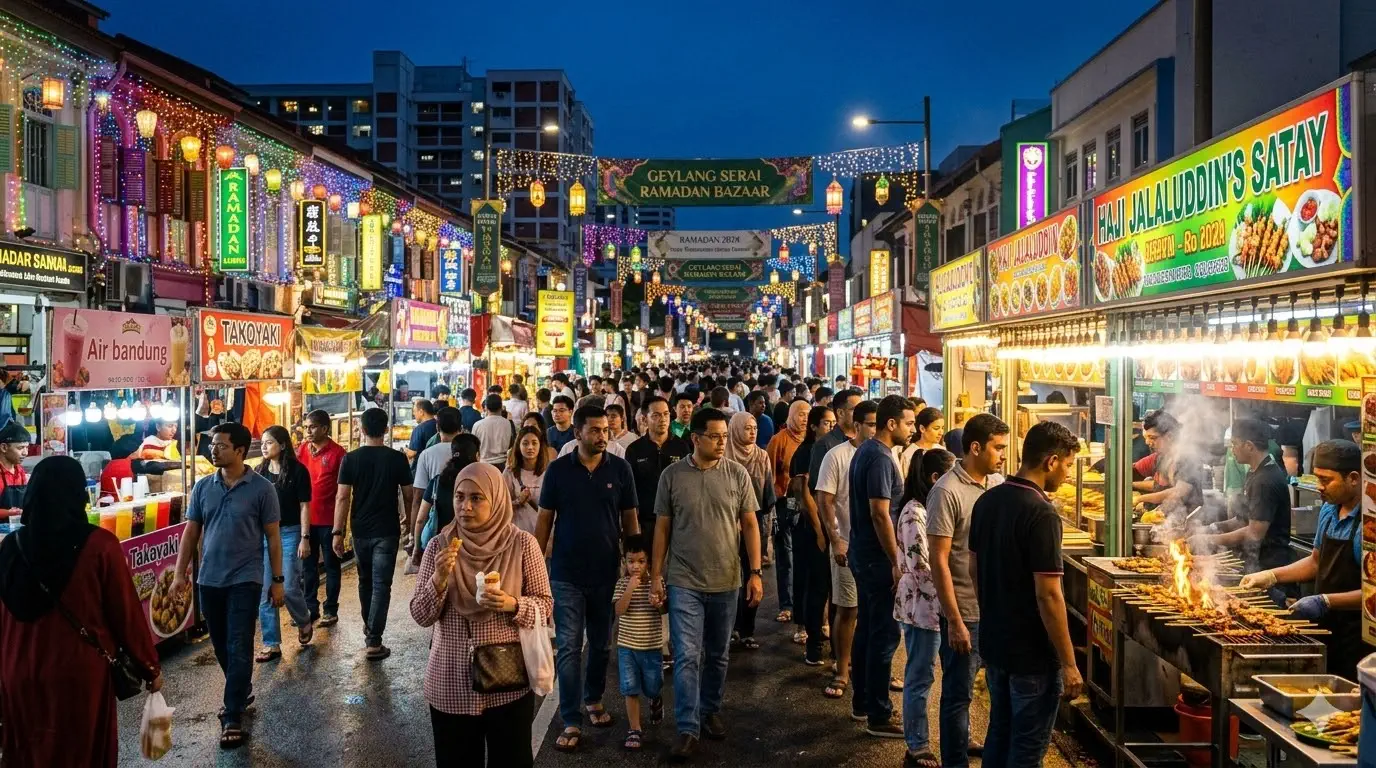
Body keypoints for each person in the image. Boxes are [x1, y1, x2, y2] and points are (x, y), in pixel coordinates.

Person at [0, 456, 162, 767]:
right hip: (77, 673)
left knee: (27, 751)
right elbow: (125, 613)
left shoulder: (10, 546)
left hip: (17, 669)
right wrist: (149, 667)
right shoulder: (99, 545)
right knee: (79, 751)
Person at [409, 462, 552, 767]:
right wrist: (439, 579)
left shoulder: (523, 544)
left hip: (507, 682)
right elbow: (420, 615)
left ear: (497, 499)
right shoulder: (439, 547)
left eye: (476, 498)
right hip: (451, 682)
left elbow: (545, 605)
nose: (465, 506)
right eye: (459, 497)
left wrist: (512, 604)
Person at [650, 408, 763, 761]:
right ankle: (687, 727)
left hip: (727, 579)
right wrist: (656, 575)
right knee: (686, 656)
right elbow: (663, 528)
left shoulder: (737, 474)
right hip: (684, 579)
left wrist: (756, 572)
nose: (720, 443)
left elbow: (749, 525)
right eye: (714, 436)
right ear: (695, 438)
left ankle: (709, 709)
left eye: (723, 437)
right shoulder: (672, 475)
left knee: (717, 654)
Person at [970, 422, 1083, 766]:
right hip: (1032, 657)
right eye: (1067, 465)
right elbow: (1049, 595)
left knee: (999, 737)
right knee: (1025, 751)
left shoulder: (987, 500)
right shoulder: (1042, 513)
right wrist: (1069, 663)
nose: (1066, 473)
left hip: (996, 644)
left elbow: (974, 569)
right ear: (1051, 461)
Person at [171, 422, 284, 749]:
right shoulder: (203, 488)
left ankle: (231, 713)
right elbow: (191, 533)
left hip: (245, 580)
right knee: (221, 645)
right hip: (209, 579)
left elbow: (274, 538)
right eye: (212, 445)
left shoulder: (262, 488)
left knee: (238, 644)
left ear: (238, 450)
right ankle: (240, 686)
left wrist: (277, 580)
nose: (213, 450)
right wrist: (180, 573)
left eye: (220, 445)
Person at [537, 404, 640, 752]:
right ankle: (570, 717)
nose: (602, 435)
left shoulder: (621, 469)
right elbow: (544, 522)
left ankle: (593, 698)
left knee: (600, 643)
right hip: (565, 572)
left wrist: (633, 559)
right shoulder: (558, 471)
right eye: (595, 430)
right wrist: (534, 566)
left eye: (605, 430)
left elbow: (630, 520)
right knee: (568, 646)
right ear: (578, 433)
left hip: (606, 572)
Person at [1241, 439, 1365, 679]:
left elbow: (1372, 596)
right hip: (1322, 632)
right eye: (1316, 478)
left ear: (1353, 478)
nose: (1319, 486)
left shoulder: (1368, 525)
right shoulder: (1329, 511)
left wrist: (1325, 600)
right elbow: (1316, 562)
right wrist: (1271, 575)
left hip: (1357, 641)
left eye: (1326, 480)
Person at [926, 412, 1009, 765]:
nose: (1003, 455)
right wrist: (955, 620)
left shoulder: (999, 484)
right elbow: (939, 560)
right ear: (975, 448)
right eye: (998, 448)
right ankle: (955, 761)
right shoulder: (946, 492)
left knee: (999, 693)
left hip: (997, 611)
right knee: (958, 696)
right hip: (966, 612)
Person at [847, 395, 915, 738]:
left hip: (864, 553)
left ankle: (862, 702)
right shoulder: (879, 458)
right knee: (883, 636)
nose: (912, 429)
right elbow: (879, 512)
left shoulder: (868, 452)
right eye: (909, 423)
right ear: (892, 424)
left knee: (868, 631)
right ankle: (878, 713)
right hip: (875, 558)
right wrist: (895, 560)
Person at [333, 408, 411, 660]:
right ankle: (373, 640)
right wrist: (409, 522)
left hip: (360, 530)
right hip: (387, 530)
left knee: (365, 581)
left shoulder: (350, 459)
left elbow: (342, 497)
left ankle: (371, 631)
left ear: (362, 429)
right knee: (381, 585)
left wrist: (337, 532)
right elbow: (409, 495)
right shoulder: (397, 459)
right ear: (386, 430)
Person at [895, 448, 956, 768]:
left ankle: (958, 735)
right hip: (924, 607)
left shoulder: (935, 508)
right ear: (935, 479)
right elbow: (921, 567)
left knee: (954, 676)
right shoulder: (914, 512)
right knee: (920, 677)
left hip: (945, 608)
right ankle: (917, 743)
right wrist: (951, 595)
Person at [815, 399, 878, 700]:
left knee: (876, 611)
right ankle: (842, 669)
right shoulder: (836, 456)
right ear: (858, 425)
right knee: (848, 608)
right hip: (847, 544)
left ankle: (876, 667)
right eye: (872, 424)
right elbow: (824, 499)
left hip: (878, 547)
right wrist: (835, 538)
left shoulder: (884, 457)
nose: (877, 430)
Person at [1197, 418, 1293, 581]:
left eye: (1234, 444)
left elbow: (1254, 532)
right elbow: (1242, 520)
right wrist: (1211, 528)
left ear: (1249, 446)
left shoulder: (1265, 480)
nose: (1232, 449)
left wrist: (1209, 540)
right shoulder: (1255, 473)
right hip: (1254, 561)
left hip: (1269, 566)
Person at [254, 425, 314, 662]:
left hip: (290, 534)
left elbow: (304, 506)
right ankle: (271, 643)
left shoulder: (298, 471)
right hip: (265, 536)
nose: (264, 446)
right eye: (262, 442)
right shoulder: (259, 472)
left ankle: (303, 619)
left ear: (282, 444)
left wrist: (305, 538)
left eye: (268, 442)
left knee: (288, 587)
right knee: (266, 590)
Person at [725, 411, 775, 650]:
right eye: (747, 428)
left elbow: (767, 496)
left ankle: (747, 630)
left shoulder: (762, 456)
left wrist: (764, 528)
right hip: (727, 524)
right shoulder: (724, 455)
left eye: (755, 427)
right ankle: (731, 626)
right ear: (735, 430)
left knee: (752, 575)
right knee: (730, 577)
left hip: (754, 524)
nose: (753, 431)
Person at [614, 534, 666, 751]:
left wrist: (658, 602)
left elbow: (664, 609)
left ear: (649, 563)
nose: (635, 566)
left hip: (651, 647)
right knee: (630, 688)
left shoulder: (657, 582)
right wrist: (629, 589)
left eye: (641, 561)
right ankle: (634, 728)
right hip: (627, 647)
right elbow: (619, 610)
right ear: (624, 562)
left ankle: (655, 699)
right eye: (631, 561)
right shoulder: (622, 583)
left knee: (653, 685)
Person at [625, 396, 692, 557]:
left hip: (677, 521)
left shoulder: (682, 447)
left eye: (666, 414)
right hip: (646, 521)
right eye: (656, 415)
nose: (662, 419)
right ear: (645, 419)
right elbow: (629, 490)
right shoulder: (635, 449)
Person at [298, 409, 346, 626]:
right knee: (308, 568)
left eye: (313, 427)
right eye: (306, 427)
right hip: (307, 520)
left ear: (325, 429)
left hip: (329, 520)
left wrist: (340, 526)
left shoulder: (338, 453)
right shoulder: (303, 450)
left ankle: (331, 609)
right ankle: (310, 607)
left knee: (331, 565)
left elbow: (344, 491)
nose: (308, 431)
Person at [794, 404, 836, 656]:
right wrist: (821, 531)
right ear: (813, 426)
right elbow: (806, 495)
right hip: (812, 528)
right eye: (826, 423)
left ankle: (829, 636)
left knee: (834, 588)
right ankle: (813, 640)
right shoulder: (807, 451)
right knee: (817, 585)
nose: (830, 427)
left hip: (832, 528)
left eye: (832, 423)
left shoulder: (835, 449)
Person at [766, 400, 809, 624]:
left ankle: (802, 604)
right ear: (791, 415)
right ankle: (786, 604)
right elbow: (770, 475)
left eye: (807, 414)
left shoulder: (811, 441)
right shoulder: (779, 440)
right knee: (786, 554)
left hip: (808, 504)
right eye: (800, 414)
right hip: (786, 503)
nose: (804, 418)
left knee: (802, 556)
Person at [410, 434, 481, 570]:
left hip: (440, 548)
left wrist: (417, 549)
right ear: (477, 456)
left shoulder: (437, 482)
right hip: (474, 548)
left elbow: (420, 519)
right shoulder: (481, 483)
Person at [504, 426, 549, 534]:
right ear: (518, 446)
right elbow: (501, 506)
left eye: (534, 443)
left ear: (540, 445)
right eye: (525, 443)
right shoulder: (510, 472)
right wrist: (518, 501)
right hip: (517, 533)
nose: (530, 447)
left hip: (543, 533)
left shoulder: (549, 472)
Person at [895, 407, 945, 481]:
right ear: (922, 428)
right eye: (936, 428)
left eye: (943, 428)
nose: (941, 433)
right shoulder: (909, 454)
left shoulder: (942, 450)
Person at [474, 394, 516, 469]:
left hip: (483, 465)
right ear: (501, 407)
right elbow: (511, 444)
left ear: (486, 407)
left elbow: (474, 447)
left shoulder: (477, 425)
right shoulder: (507, 423)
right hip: (503, 465)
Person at [0, 420, 29, 509]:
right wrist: (9, 513)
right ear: (4, 447)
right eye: (20, 448)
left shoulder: (20, 471)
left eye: (27, 447)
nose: (25, 453)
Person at [406, 399, 439, 466]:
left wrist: (405, 450)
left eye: (414, 411)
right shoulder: (439, 424)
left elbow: (411, 453)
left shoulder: (419, 429)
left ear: (421, 412)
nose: (413, 414)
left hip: (422, 467)